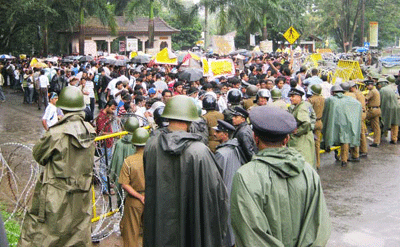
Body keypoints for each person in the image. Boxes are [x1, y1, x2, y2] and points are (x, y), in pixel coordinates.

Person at [230, 106, 331, 247]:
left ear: (255, 138)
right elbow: (319, 227)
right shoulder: (308, 172)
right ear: (287, 139)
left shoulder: (245, 176)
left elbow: (250, 233)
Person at [143, 95, 228, 247]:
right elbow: (216, 195)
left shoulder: (151, 145)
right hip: (193, 228)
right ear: (190, 120)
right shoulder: (200, 151)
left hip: (160, 225)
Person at [19, 86, 96, 246]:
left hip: (56, 194)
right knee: (77, 233)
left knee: (45, 234)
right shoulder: (90, 131)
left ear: (63, 107)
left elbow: (38, 155)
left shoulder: (56, 133)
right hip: (81, 192)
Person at [214, 119, 246, 247]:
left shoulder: (221, 154)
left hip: (225, 194)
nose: (215, 133)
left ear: (225, 134)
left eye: (218, 131)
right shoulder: (235, 148)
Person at [119, 128, 149, 247]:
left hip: (134, 200)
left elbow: (124, 184)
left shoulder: (129, 161)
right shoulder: (154, 160)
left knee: (131, 234)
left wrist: (139, 196)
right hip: (151, 198)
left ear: (134, 144)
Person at [322, 85, 362, 167]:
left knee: (333, 137)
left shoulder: (330, 100)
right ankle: (344, 160)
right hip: (348, 122)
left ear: (333, 92)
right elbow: (358, 104)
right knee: (345, 140)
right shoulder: (349, 99)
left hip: (336, 122)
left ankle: (330, 149)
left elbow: (325, 112)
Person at [110, 117, 139, 208]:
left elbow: (114, 164)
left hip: (120, 179)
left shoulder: (119, 143)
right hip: (135, 181)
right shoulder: (138, 143)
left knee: (122, 205)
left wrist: (112, 177)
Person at [288, 88, 316, 168]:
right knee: (309, 159)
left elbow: (306, 122)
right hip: (307, 136)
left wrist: (298, 132)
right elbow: (313, 117)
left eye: (293, 96)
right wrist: (311, 127)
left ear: (299, 97)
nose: (290, 98)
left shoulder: (301, 108)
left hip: (301, 139)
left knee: (302, 161)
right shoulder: (306, 104)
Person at [376, 78, 400, 144]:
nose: (378, 86)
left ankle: (382, 136)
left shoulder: (382, 90)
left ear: (381, 84)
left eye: (378, 84)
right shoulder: (392, 88)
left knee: (384, 122)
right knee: (395, 123)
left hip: (388, 108)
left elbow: (379, 101)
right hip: (396, 107)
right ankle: (394, 139)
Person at [307, 84, 325, 169]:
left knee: (309, 143)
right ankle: (318, 163)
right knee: (317, 144)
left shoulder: (310, 100)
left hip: (312, 122)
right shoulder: (323, 99)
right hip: (320, 121)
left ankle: (311, 163)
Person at [349, 81, 368, 158]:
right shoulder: (359, 93)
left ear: (352, 88)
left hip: (359, 114)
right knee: (361, 132)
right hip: (361, 113)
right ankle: (362, 150)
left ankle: (362, 151)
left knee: (360, 133)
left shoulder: (356, 94)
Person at [365, 80, 381, 147]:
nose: (367, 87)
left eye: (368, 86)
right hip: (377, 109)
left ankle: (365, 133)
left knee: (361, 118)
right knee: (376, 127)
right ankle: (376, 142)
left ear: (371, 85)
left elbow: (365, 99)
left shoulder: (372, 91)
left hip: (372, 110)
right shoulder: (376, 91)